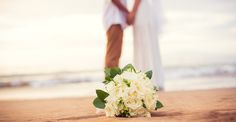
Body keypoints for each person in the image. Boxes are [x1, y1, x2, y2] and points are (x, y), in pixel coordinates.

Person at [127, 0, 165, 90]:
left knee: (143, 45)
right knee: (148, 45)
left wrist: (133, 12)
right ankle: (153, 79)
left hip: (142, 12)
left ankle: (145, 80)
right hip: (146, 11)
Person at [103, 0, 129, 68]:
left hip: (115, 19)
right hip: (114, 19)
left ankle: (111, 77)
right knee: (113, 56)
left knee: (115, 55)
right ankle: (111, 78)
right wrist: (127, 12)